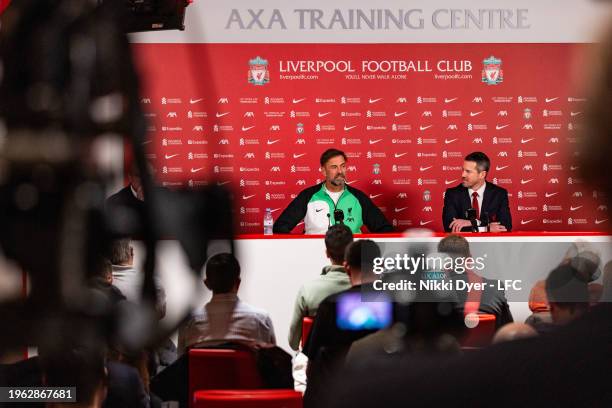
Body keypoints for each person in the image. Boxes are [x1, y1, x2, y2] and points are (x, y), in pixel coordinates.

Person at [273, 148, 393, 234]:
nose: (340, 171)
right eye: (334, 167)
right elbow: (280, 227)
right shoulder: (308, 196)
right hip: (315, 256)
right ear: (324, 171)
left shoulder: (358, 197)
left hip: (350, 259)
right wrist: (301, 247)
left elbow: (385, 230)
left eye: (343, 166)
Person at [177, 253, 276, 354]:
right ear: (238, 283)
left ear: (207, 284)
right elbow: (272, 364)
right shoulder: (261, 319)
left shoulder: (188, 323)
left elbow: (181, 363)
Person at [288, 224, 354, 351]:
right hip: (355, 366)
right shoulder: (369, 292)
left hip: (316, 367)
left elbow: (293, 343)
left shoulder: (308, 290)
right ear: (351, 250)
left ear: (327, 253)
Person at [437, 234, 514, 328]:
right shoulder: (495, 286)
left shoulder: (429, 291)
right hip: (486, 342)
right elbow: (508, 328)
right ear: (469, 260)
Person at [442, 152, 511, 232]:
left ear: (482, 174)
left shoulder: (499, 194)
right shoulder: (452, 194)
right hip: (463, 243)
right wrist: (487, 228)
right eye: (463, 170)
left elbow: (505, 226)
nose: (463, 175)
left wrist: (472, 222)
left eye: (468, 171)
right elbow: (450, 227)